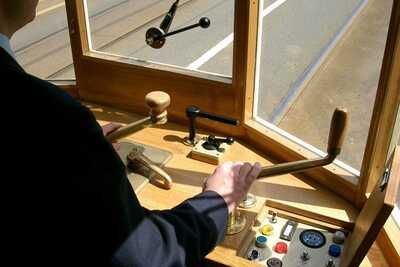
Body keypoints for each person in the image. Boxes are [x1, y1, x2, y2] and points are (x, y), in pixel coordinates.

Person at [0, 1, 261, 266]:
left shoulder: (48, 120)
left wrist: (83, 149)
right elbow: (145, 257)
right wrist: (217, 201)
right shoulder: (51, 114)